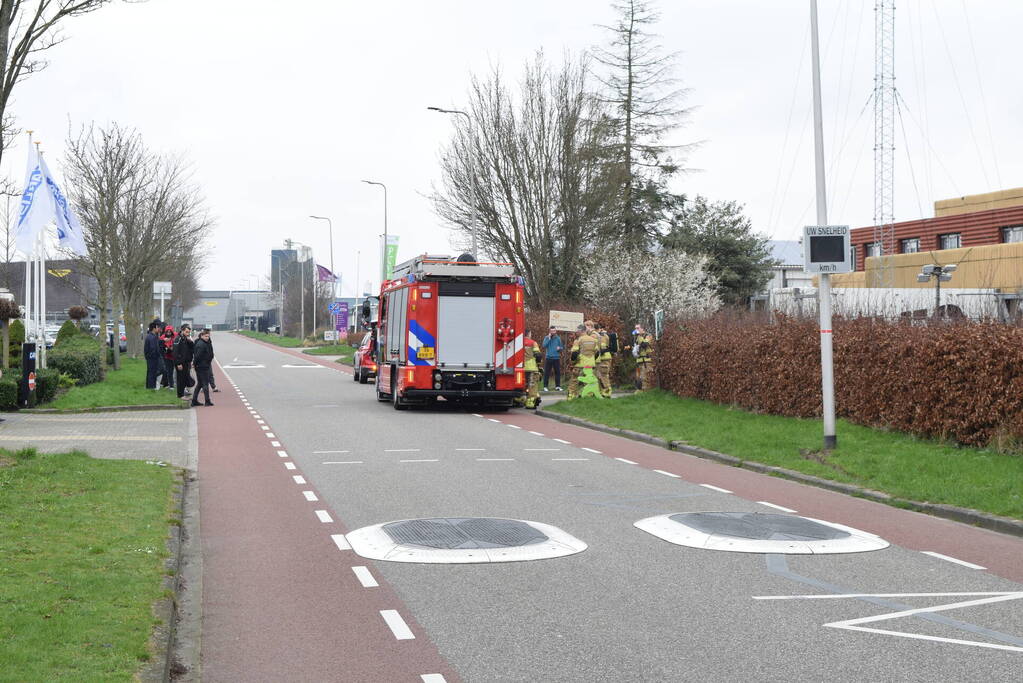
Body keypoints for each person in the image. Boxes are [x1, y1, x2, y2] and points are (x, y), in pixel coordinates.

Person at [567, 324, 601, 400]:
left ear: (580, 331)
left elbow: (574, 353)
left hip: (580, 364)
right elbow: (597, 353)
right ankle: (588, 397)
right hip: (590, 365)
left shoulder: (578, 340)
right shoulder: (593, 340)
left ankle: (571, 396)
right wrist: (592, 360)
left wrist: (573, 362)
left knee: (574, 381)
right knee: (589, 382)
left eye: (577, 331)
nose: (576, 333)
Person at [190, 328, 215, 407]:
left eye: (208, 336)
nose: (207, 338)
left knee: (200, 384)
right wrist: (194, 363)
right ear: (202, 336)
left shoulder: (205, 342)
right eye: (206, 336)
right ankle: (207, 401)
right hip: (202, 366)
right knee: (205, 383)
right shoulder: (201, 344)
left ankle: (194, 400)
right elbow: (197, 356)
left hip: (203, 365)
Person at [519, 330, 542, 409]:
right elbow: (538, 355)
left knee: (522, 384)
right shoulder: (533, 343)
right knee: (532, 385)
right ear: (529, 334)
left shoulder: (519, 342)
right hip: (532, 368)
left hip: (520, 367)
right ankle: (530, 403)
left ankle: (519, 400)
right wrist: (538, 365)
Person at [173, 324, 195, 399]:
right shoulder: (178, 339)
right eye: (186, 332)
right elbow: (175, 352)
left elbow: (192, 349)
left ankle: (183, 393)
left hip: (186, 362)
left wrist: (191, 342)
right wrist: (178, 363)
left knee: (185, 378)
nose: (188, 334)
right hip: (180, 363)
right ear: (182, 331)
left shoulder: (186, 339)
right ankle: (180, 395)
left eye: (189, 332)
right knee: (180, 379)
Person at [541, 326, 563, 391]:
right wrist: (549, 338)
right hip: (549, 358)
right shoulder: (546, 338)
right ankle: (545, 386)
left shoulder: (558, 338)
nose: (553, 332)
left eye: (554, 331)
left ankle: (558, 386)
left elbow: (561, 347)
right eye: (552, 331)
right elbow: (544, 345)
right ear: (549, 331)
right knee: (547, 373)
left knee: (557, 372)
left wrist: (560, 348)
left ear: (556, 331)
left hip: (556, 358)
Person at [633, 323, 655, 391]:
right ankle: (640, 391)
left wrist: (639, 336)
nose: (636, 330)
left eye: (638, 328)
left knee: (645, 378)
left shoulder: (648, 336)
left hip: (647, 361)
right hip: (639, 361)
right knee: (639, 378)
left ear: (642, 329)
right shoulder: (636, 338)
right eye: (635, 328)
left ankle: (646, 392)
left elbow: (644, 344)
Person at [595, 322, 613, 399]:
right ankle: (601, 392)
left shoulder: (602, 336)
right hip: (601, 358)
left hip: (604, 358)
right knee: (599, 376)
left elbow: (602, 348)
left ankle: (607, 392)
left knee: (603, 376)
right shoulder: (602, 335)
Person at [143, 321, 163, 390]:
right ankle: (151, 387)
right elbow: (153, 349)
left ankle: (149, 386)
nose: (159, 329)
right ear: (154, 328)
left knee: (150, 372)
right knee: (152, 372)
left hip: (150, 358)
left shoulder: (151, 336)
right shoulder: (152, 337)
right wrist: (157, 356)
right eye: (158, 327)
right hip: (152, 358)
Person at [161, 325, 177, 389]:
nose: (168, 333)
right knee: (169, 371)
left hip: (176, 357)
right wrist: (165, 343)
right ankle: (171, 385)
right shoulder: (162, 337)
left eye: (170, 332)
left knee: (178, 372)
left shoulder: (176, 336)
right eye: (167, 332)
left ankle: (178, 385)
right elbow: (160, 345)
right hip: (167, 356)